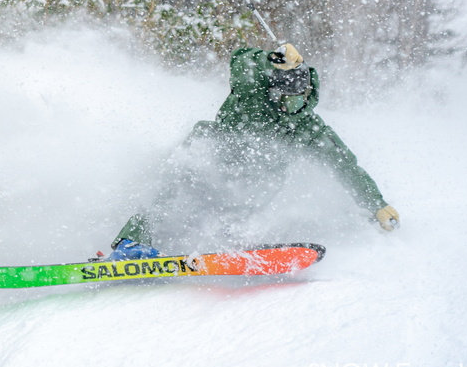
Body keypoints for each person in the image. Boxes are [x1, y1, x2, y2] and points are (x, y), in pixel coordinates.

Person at [103, 42, 399, 260]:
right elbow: (240, 59)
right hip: (211, 163)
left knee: (261, 186)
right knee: (183, 163)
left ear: (307, 96)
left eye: (295, 100)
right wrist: (269, 60)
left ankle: (230, 241)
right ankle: (133, 242)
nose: (286, 105)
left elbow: (345, 165)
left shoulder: (310, 128)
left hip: (249, 187)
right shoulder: (253, 88)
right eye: (282, 95)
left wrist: (376, 203)